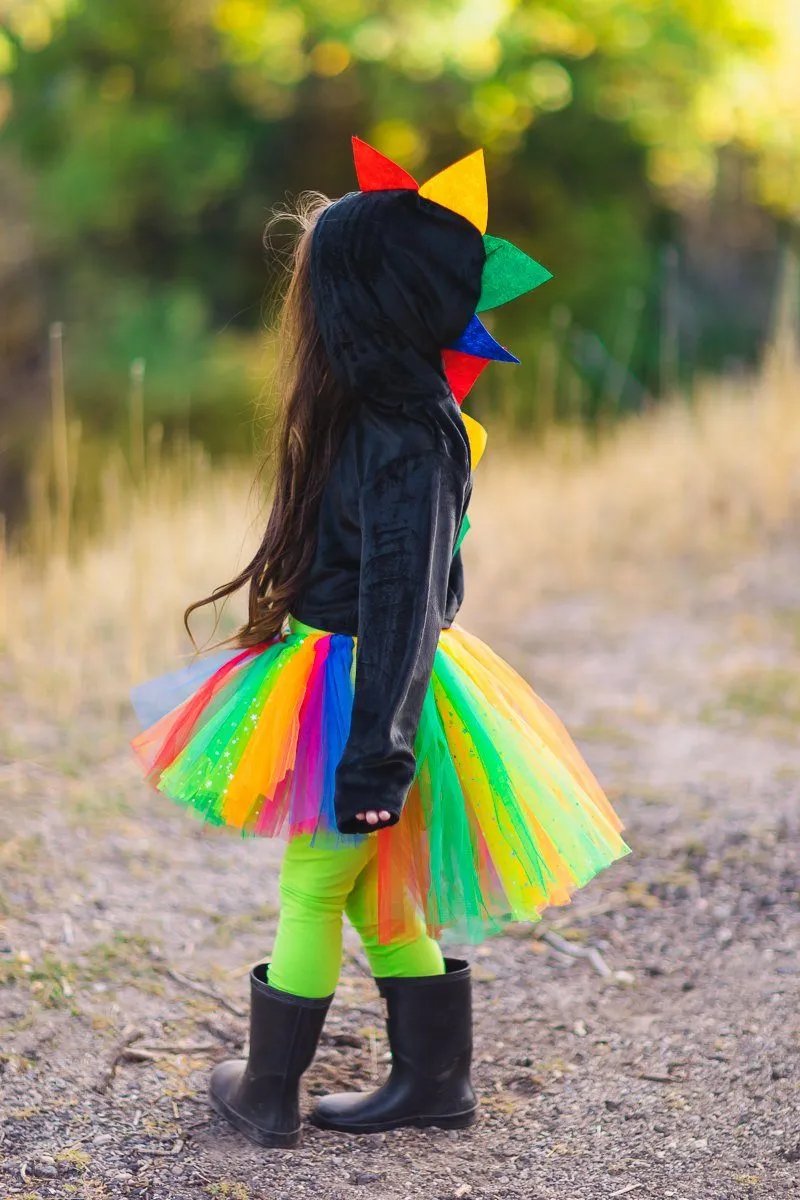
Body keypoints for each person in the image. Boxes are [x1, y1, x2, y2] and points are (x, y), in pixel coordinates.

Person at [131, 137, 629, 1149]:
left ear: (355, 307)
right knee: (378, 885)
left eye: (316, 288)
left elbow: (402, 602)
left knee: (318, 880)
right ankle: (431, 1080)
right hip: (349, 675)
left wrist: (374, 754)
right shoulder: (376, 417)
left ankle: (268, 1090)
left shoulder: (406, 439)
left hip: (371, 689)